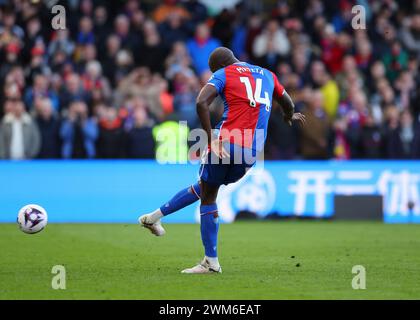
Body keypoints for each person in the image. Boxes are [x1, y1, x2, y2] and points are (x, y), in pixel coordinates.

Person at [138, 47, 305, 273]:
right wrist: (288, 116)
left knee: (208, 194)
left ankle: (211, 261)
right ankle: (154, 217)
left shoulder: (224, 73)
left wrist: (210, 139)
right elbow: (287, 102)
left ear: (218, 66)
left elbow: (200, 102)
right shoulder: (267, 74)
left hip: (226, 142)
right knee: (206, 187)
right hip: (252, 151)